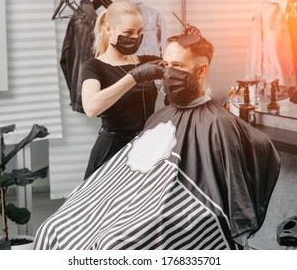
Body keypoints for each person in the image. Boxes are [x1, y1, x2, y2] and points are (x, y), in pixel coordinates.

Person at [33, 26, 280, 250]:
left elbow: (226, 197)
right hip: (135, 204)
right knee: (54, 228)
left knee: (112, 244)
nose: (169, 72)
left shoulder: (218, 123)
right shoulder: (161, 116)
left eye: (179, 66)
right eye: (166, 64)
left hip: (176, 211)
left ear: (202, 70)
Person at [79, 0, 164, 180]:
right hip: (112, 151)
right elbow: (91, 108)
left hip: (144, 149)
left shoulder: (146, 61)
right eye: (128, 32)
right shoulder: (94, 67)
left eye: (140, 32)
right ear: (109, 30)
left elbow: (179, 68)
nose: (135, 37)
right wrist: (134, 77)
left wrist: (190, 45)